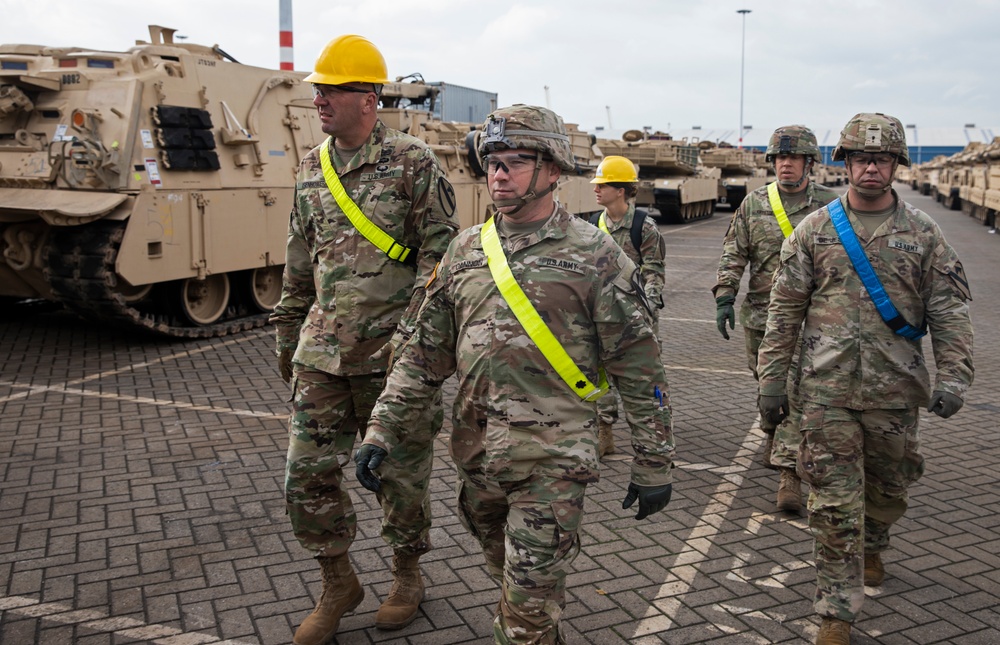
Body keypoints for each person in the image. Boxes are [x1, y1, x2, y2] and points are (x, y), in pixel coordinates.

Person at [354, 105, 675, 644]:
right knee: (504, 570)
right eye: (492, 163)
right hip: (478, 458)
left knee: (522, 616)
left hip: (553, 463)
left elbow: (640, 366)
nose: (498, 175)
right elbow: (422, 353)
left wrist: (654, 460)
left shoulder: (596, 254)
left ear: (552, 170)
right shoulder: (463, 252)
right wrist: (382, 428)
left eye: (515, 162)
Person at [268, 34, 459, 645]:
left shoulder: (413, 162)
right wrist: (286, 335)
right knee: (307, 476)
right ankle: (338, 581)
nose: (320, 99)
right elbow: (300, 263)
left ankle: (406, 575)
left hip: (393, 356)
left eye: (333, 89)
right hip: (322, 353)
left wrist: (420, 339)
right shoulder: (309, 168)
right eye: (319, 90)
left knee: (401, 477)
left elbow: (440, 254)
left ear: (368, 98)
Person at [756, 113, 974, 645]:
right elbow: (783, 310)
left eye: (880, 159)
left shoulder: (923, 234)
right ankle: (835, 610)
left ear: (896, 166)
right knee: (832, 503)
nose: (870, 167)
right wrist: (771, 381)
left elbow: (949, 310)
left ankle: (875, 543)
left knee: (888, 488)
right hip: (824, 392)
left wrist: (955, 377)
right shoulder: (817, 229)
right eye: (860, 158)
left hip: (895, 392)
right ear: (845, 164)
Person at [712, 125, 839, 513]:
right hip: (763, 316)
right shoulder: (754, 203)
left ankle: (789, 475)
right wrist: (725, 295)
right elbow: (734, 252)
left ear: (809, 163)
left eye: (794, 158)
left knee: (798, 392)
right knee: (768, 385)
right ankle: (772, 432)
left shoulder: (831, 206)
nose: (785, 164)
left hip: (812, 318)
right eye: (780, 158)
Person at [589, 155, 667, 458]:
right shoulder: (593, 226)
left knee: (646, 375)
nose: (596, 189)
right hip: (601, 314)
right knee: (598, 373)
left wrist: (649, 303)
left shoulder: (643, 226)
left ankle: (654, 430)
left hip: (637, 315)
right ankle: (604, 430)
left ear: (620, 189)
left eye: (603, 184)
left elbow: (654, 270)